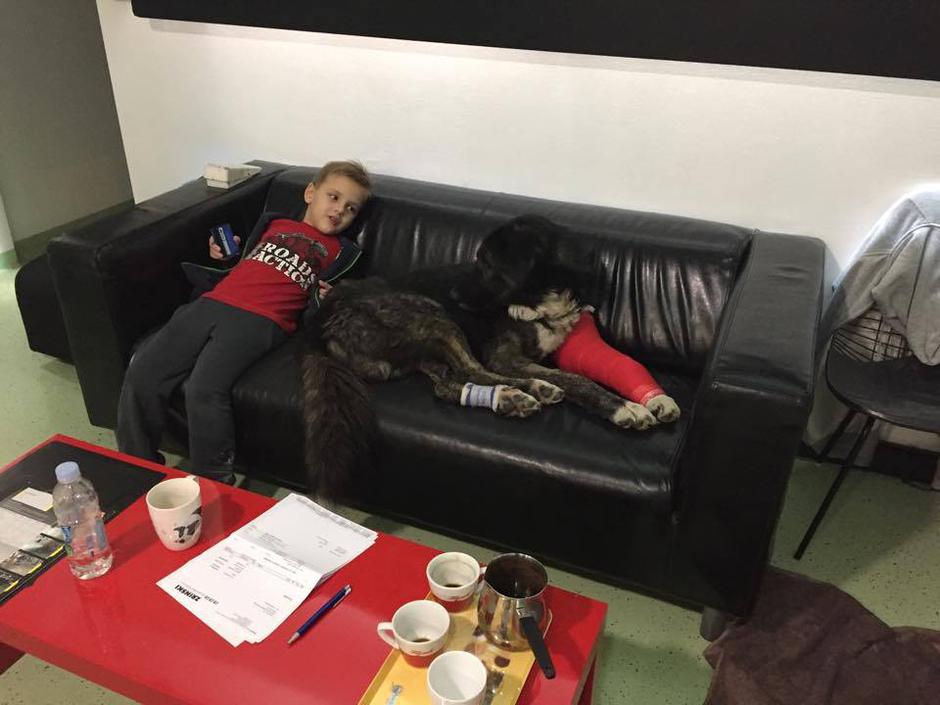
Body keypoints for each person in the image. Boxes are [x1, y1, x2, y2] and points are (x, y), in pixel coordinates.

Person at [116, 160, 372, 483]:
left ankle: (214, 481)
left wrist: (331, 298)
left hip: (261, 318)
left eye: (350, 208)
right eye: (333, 197)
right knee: (143, 368)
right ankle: (138, 469)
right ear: (311, 193)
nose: (339, 210)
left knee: (205, 388)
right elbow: (248, 265)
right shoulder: (273, 223)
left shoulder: (343, 253)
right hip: (213, 302)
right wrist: (227, 256)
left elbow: (333, 304)